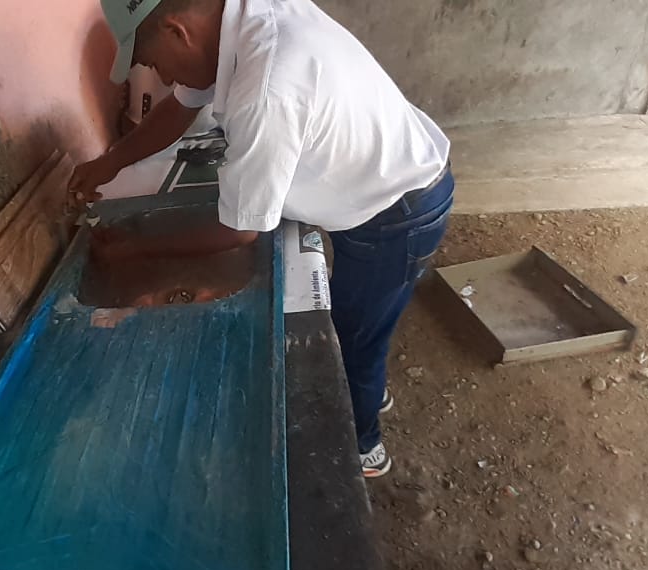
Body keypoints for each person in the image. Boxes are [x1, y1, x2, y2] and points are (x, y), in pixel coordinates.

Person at [69, 0, 453, 478]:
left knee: (354, 340)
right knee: (361, 327)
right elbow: (179, 108)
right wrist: (109, 163)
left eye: (151, 62)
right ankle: (368, 389)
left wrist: (134, 250)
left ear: (177, 31)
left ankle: (362, 447)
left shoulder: (268, 85)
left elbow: (239, 229)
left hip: (398, 212)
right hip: (378, 176)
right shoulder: (235, 18)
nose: (160, 75)